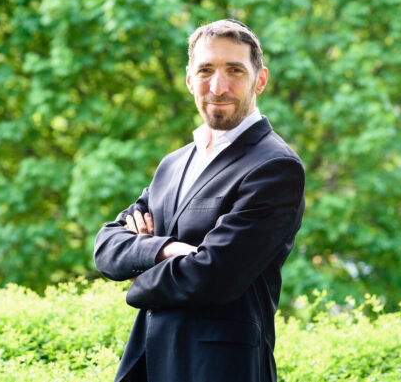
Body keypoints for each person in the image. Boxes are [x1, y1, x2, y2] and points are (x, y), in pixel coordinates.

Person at [94, 19, 305, 382]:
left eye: (235, 70)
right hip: (146, 365)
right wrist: (169, 250)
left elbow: (215, 275)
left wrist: (139, 275)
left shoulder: (275, 167)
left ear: (261, 79)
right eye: (206, 70)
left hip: (220, 370)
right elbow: (107, 247)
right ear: (190, 79)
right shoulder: (173, 164)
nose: (218, 86)